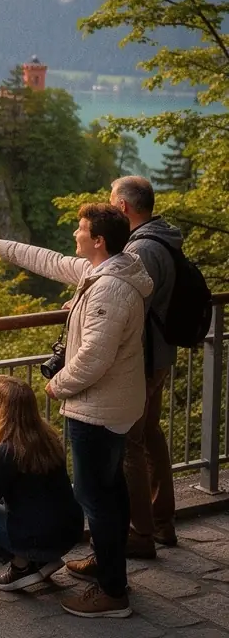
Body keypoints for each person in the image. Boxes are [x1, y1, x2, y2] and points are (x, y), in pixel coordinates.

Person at [0, 202, 152, 619]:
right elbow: (52, 261)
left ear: (98, 241)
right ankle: (107, 565)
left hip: (97, 408)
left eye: (81, 230)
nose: (74, 236)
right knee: (110, 489)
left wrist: (55, 385)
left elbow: (93, 357)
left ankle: (112, 592)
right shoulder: (105, 271)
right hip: (114, 401)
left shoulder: (108, 288)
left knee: (94, 497)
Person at [0, 375, 83, 591]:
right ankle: (42, 560)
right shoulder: (48, 436)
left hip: (41, 538)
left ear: (2, 406)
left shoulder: (6, 450)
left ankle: (21, 566)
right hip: (69, 533)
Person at [111, 175, 181, 555]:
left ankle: (140, 533)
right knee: (151, 433)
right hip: (161, 353)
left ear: (123, 207)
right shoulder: (164, 237)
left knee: (130, 443)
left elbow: (129, 307)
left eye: (111, 201)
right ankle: (163, 521)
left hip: (143, 357)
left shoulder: (140, 250)